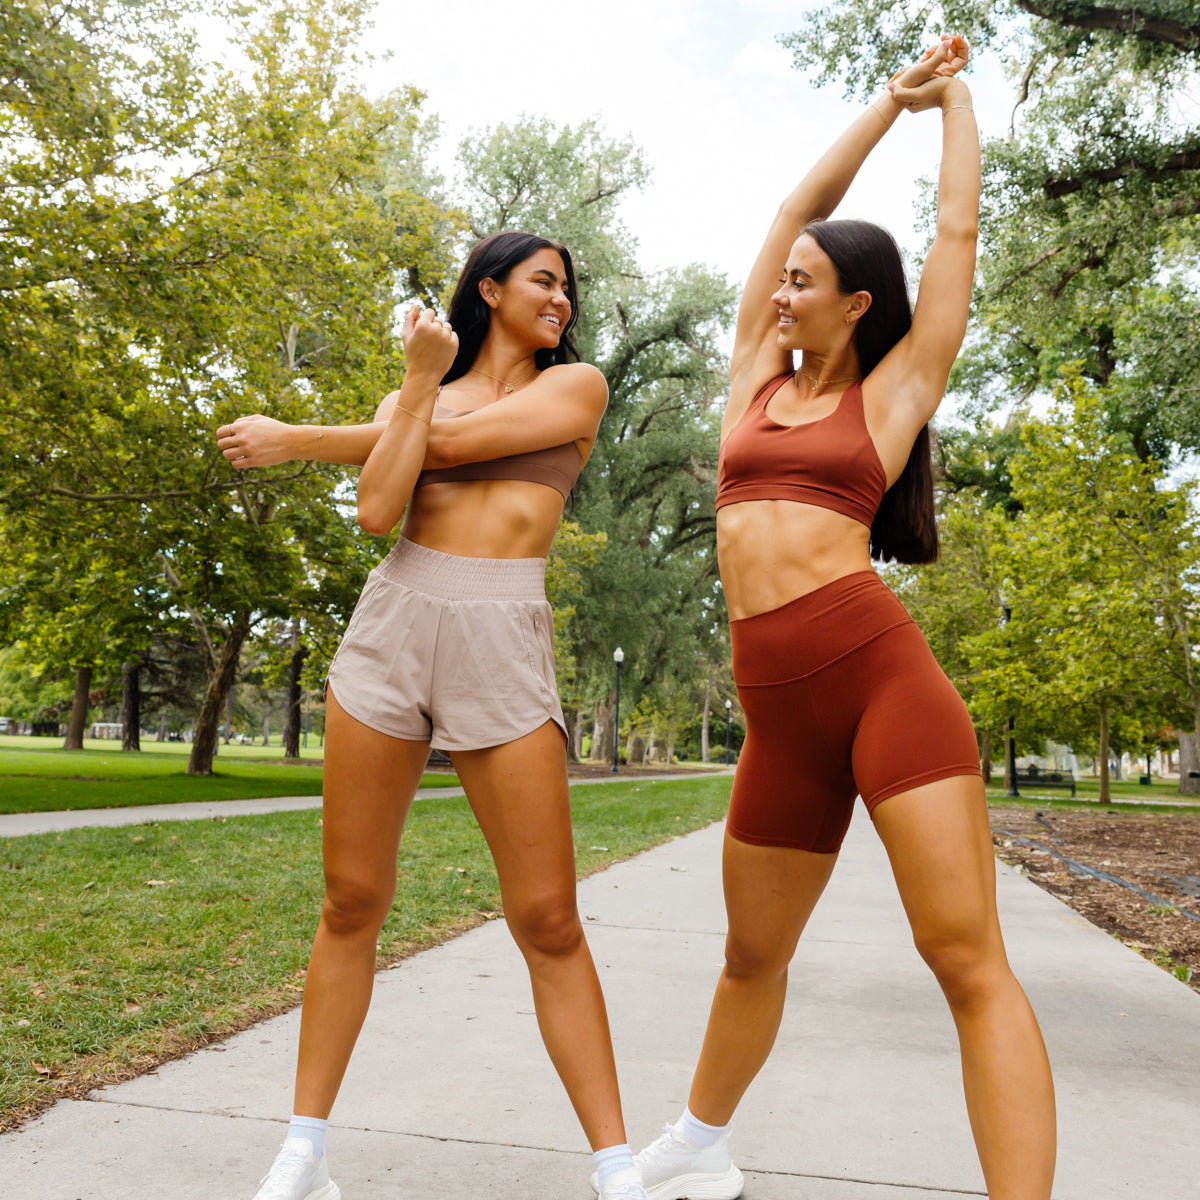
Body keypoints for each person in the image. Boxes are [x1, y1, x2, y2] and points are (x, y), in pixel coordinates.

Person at [620, 39, 1057, 1200]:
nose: (781, 289)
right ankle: (699, 1149)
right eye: (783, 281)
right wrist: (888, 103)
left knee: (964, 959)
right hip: (779, 718)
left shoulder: (895, 389)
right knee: (749, 957)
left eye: (806, 283)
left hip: (879, 688)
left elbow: (956, 237)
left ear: (859, 304)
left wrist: (956, 105)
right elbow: (794, 209)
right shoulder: (753, 379)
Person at [217, 231, 650, 1200]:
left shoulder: (576, 389)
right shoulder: (415, 395)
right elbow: (378, 509)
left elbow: (446, 447)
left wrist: (293, 440)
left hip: (502, 631)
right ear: (488, 289)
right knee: (351, 899)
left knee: (547, 915)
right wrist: (414, 388)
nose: (562, 300)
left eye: (568, 288)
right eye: (544, 281)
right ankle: (304, 1153)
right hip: (395, 624)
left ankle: (616, 1169)